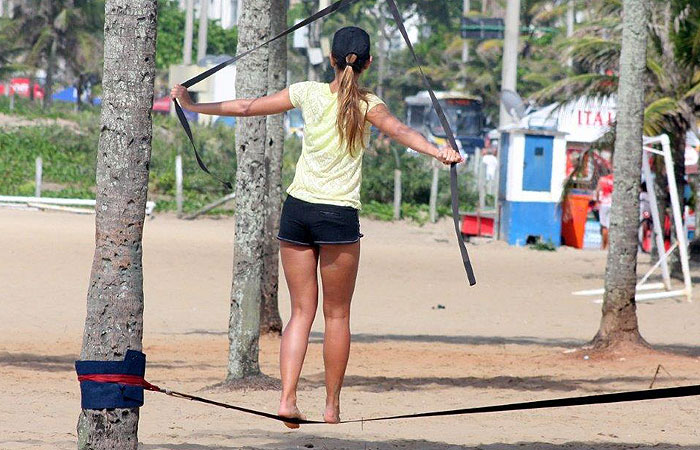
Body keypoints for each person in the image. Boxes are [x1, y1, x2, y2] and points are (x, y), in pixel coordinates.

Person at [171, 26, 462, 428]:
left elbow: (246, 107)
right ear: (368, 64)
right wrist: (440, 152)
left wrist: (193, 105)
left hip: (299, 210)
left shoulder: (307, 92)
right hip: (338, 216)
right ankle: (331, 408)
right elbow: (403, 133)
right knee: (337, 316)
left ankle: (287, 399)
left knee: (300, 314)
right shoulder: (368, 105)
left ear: (331, 59)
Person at [596, 173, 614, 250]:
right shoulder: (615, 179)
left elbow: (597, 191)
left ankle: (603, 246)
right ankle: (609, 246)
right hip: (612, 204)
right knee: (610, 226)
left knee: (604, 227)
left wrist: (597, 201)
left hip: (603, 204)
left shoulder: (602, 179)